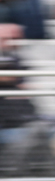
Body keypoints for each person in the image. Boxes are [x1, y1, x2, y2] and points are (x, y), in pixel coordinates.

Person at [0, 24, 36, 154]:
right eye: (4, 39)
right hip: (9, 126)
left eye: (15, 38)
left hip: (23, 122)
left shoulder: (18, 60)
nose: (10, 42)